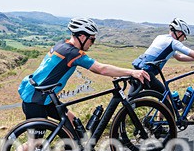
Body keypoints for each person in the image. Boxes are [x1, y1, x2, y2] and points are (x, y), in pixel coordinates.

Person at [18, 17, 150, 125]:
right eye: (92, 39)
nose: (92, 43)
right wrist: (132, 72)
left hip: (44, 97)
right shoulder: (73, 53)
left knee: (74, 122)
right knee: (34, 144)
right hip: (36, 101)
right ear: (82, 37)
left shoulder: (62, 44)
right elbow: (101, 69)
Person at [131, 18, 194, 96]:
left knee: (130, 101)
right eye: (184, 36)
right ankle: (166, 119)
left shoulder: (160, 37)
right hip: (147, 73)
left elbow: (179, 57)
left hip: (137, 69)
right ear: (179, 33)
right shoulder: (173, 42)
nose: (183, 39)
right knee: (166, 96)